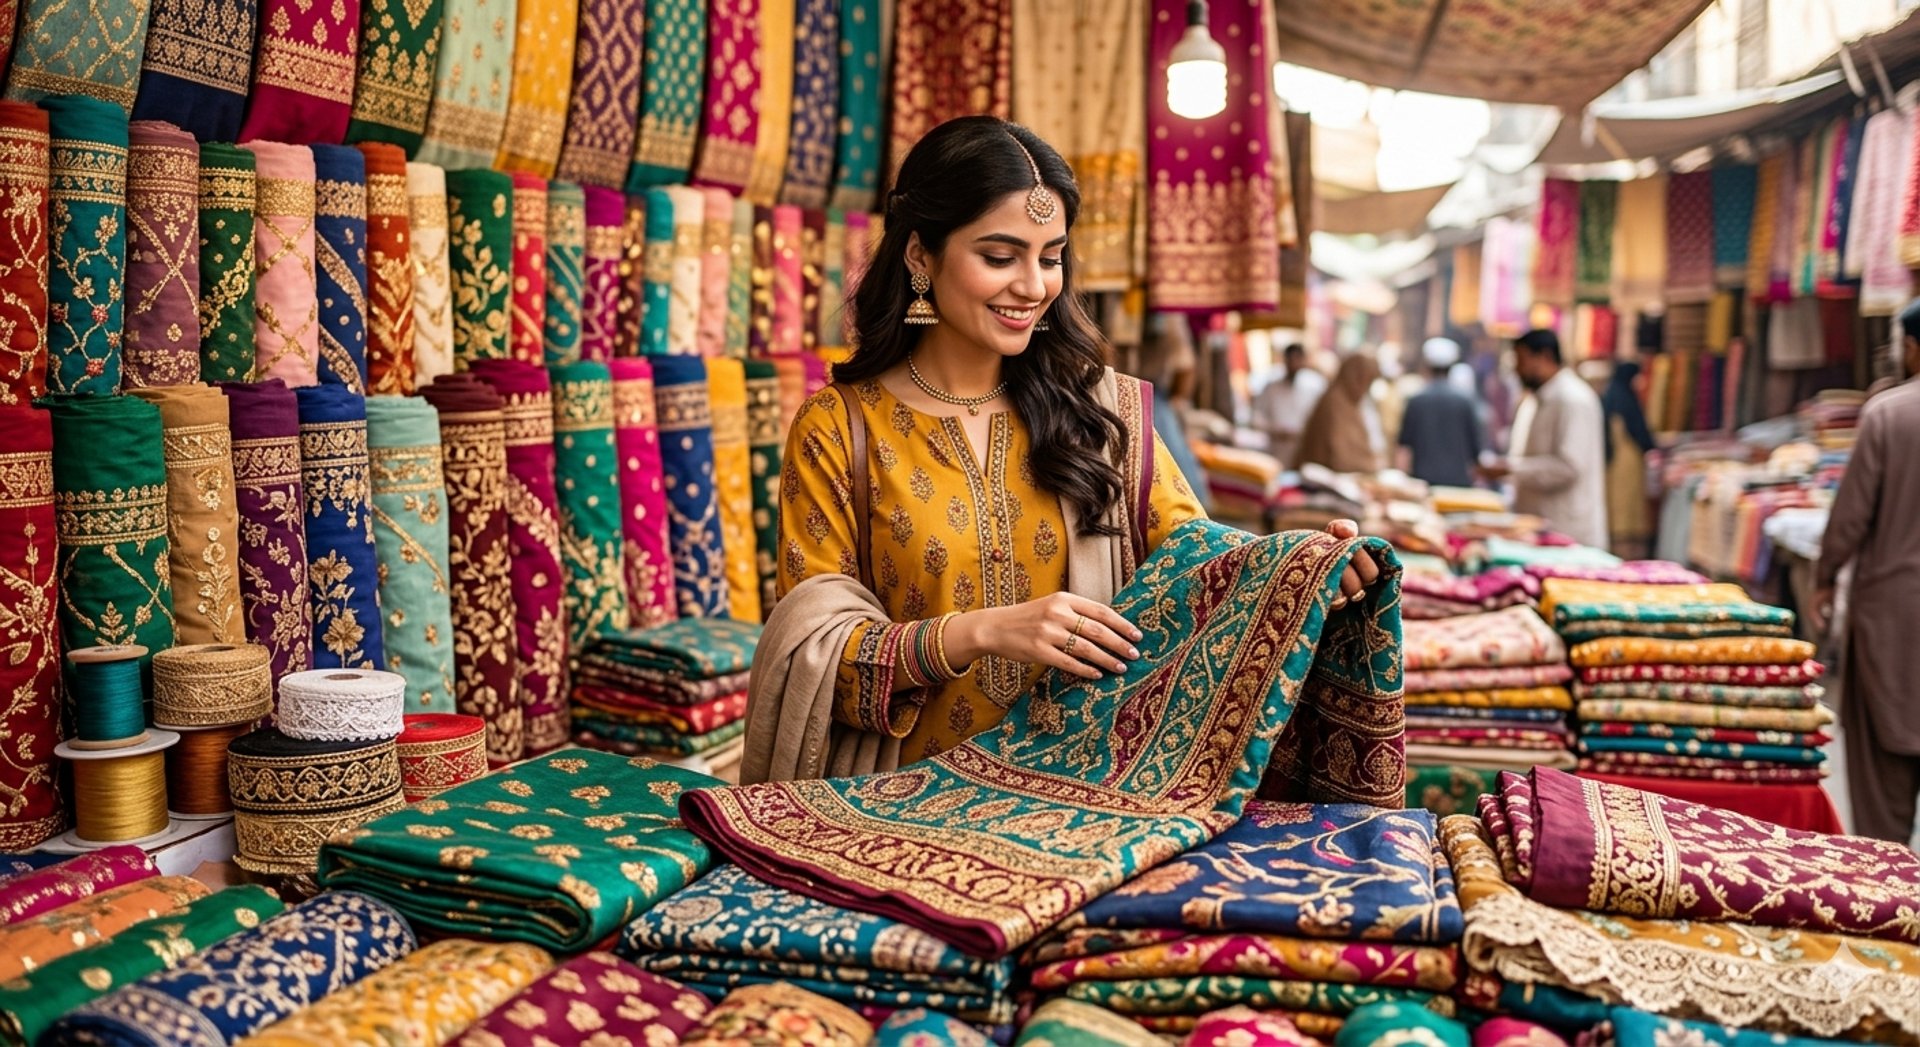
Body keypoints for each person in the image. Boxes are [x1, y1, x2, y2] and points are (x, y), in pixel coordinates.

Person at [744, 116, 1381, 782]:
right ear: (920, 256)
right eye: (999, 256)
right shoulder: (840, 429)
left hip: (1081, 799)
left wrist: (1307, 567)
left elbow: (1197, 568)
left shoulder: (1099, 414)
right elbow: (815, 664)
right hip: (899, 803)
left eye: (1050, 258)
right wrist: (978, 631)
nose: (1033, 285)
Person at [1812, 299, 1920, 844]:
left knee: (1882, 795)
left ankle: (1893, 912)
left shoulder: (1890, 412)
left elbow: (1850, 518)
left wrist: (1824, 578)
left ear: (1912, 346)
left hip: (1893, 622)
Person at [1476, 329, 1608, 548]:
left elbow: (1568, 467)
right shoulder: (1534, 400)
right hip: (1536, 524)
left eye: (1522, 360)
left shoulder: (1572, 400)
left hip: (1566, 529)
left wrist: (1511, 469)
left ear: (1545, 356)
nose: (1517, 369)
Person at [1395, 337, 1484, 487]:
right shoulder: (1465, 401)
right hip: (1458, 484)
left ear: (1426, 366)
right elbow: (1475, 449)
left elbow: (1404, 446)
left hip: (1423, 482)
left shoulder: (1416, 400)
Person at [1601, 359, 1657, 549]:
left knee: (1618, 502)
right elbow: (1639, 430)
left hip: (1614, 460)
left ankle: (1619, 540)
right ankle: (1627, 543)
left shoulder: (1610, 395)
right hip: (1627, 459)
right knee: (1627, 502)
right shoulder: (1627, 398)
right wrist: (1649, 445)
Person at [1294, 353, 1382, 475]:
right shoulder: (1335, 402)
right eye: (1364, 380)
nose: (1365, 388)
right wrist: (1369, 465)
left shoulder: (1350, 403)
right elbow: (1341, 457)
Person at [1253, 343, 1326, 466]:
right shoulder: (1271, 387)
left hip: (1305, 448)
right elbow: (1257, 416)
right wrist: (1275, 430)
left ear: (1304, 360)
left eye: (1297, 359)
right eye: (1290, 359)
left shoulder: (1315, 385)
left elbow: (1321, 417)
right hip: (1277, 448)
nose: (1294, 364)